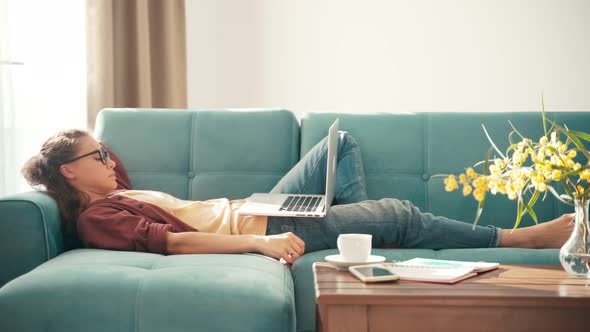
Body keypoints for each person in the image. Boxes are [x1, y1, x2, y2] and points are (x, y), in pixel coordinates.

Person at [21, 129, 574, 264]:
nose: (110, 160)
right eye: (98, 156)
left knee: (339, 143)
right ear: (70, 174)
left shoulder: (115, 187)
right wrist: (259, 247)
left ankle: (359, 229)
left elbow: (114, 174)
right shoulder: (99, 217)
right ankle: (517, 236)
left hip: (253, 207)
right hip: (253, 229)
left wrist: (101, 161)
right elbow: (169, 243)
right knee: (399, 213)